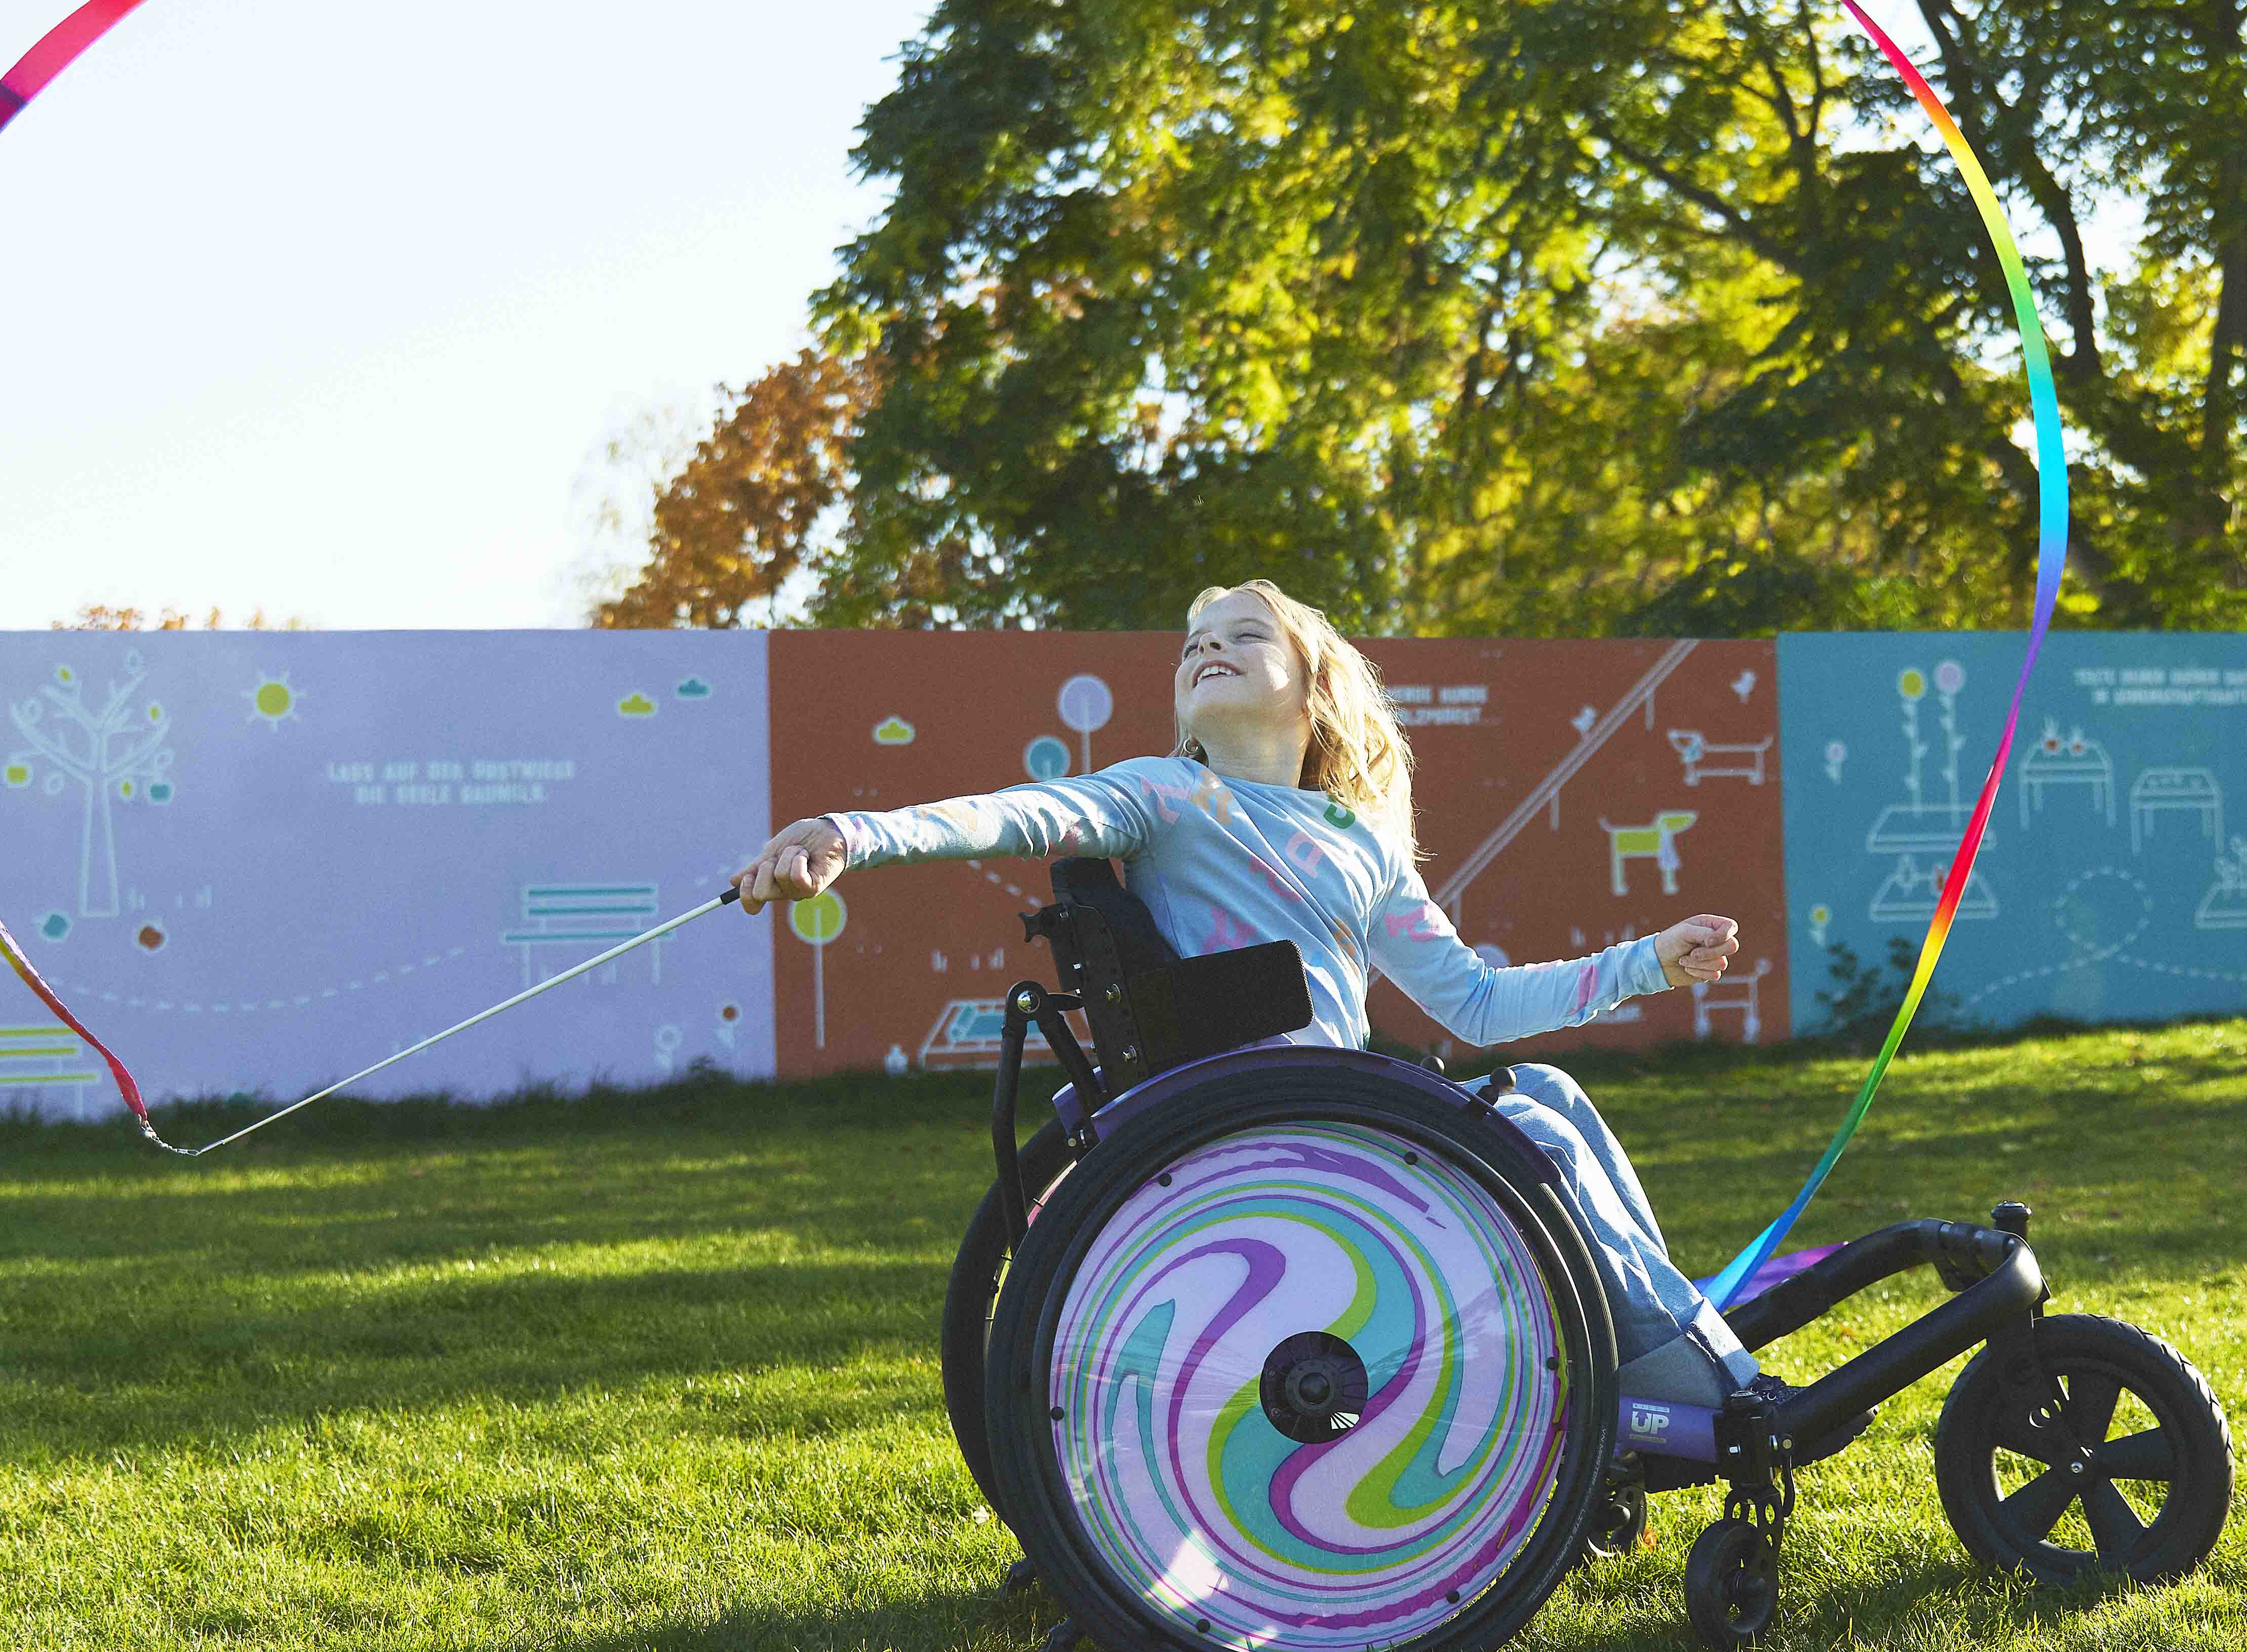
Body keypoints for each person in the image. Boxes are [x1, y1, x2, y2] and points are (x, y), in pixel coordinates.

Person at [735, 579, 1768, 1411]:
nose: (1204, 648)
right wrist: (850, 833)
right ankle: (1676, 1366)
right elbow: (1014, 813)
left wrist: (1648, 962)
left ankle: (1662, 1334)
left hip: (1343, 1109)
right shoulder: (1163, 794)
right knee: (1531, 1138)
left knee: (1543, 1091)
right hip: (1272, 1122)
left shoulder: (1359, 839)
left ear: (1313, 688)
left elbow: (1478, 1007)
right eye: (1192, 644)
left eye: (1241, 635)